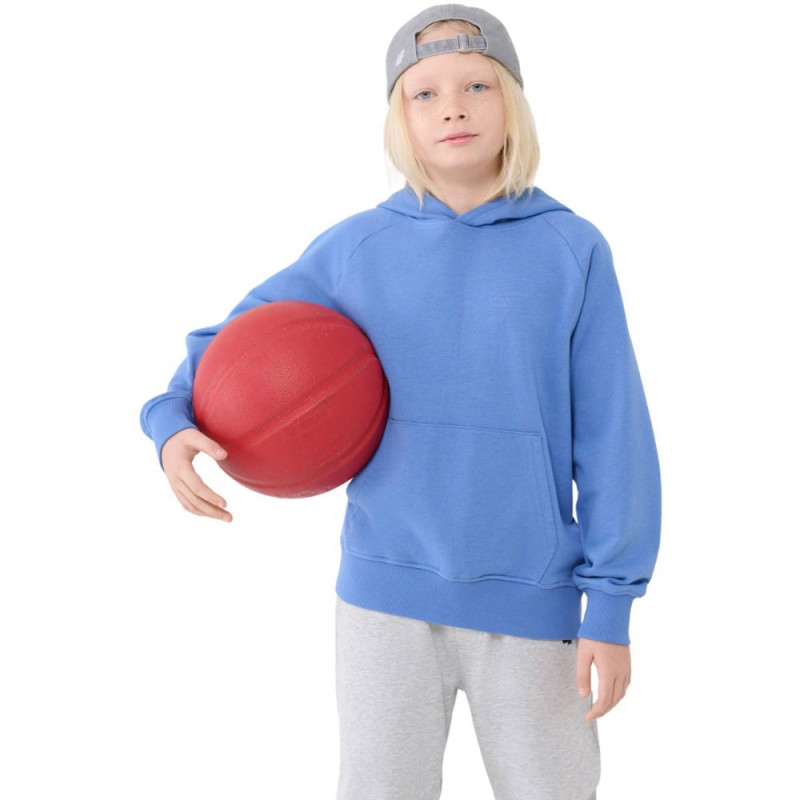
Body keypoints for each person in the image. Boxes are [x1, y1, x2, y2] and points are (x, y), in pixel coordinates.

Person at [140, 5, 661, 799]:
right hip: (383, 600)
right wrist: (170, 421)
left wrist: (612, 606)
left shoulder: (571, 248)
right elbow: (232, 348)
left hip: (534, 600)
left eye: (477, 85)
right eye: (425, 93)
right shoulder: (357, 248)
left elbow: (615, 434)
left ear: (513, 102)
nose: (453, 107)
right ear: (400, 119)